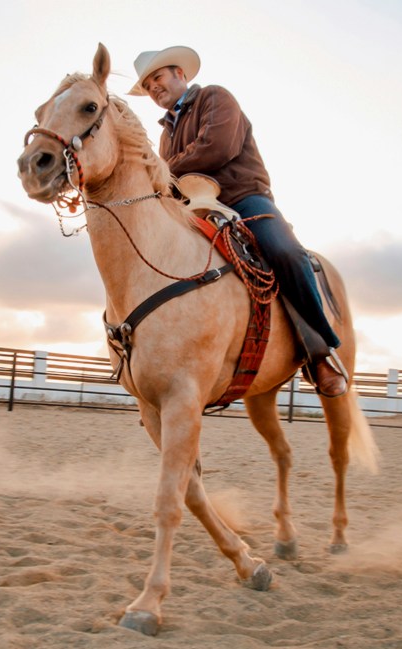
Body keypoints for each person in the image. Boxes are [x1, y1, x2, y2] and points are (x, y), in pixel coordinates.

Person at [129, 46, 348, 397]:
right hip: (194, 207)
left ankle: (321, 352)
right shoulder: (166, 132)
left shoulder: (216, 97)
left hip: (243, 199)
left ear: (180, 74)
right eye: (147, 84)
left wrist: (161, 170)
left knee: (285, 252)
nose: (154, 87)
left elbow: (217, 147)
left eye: (157, 77)